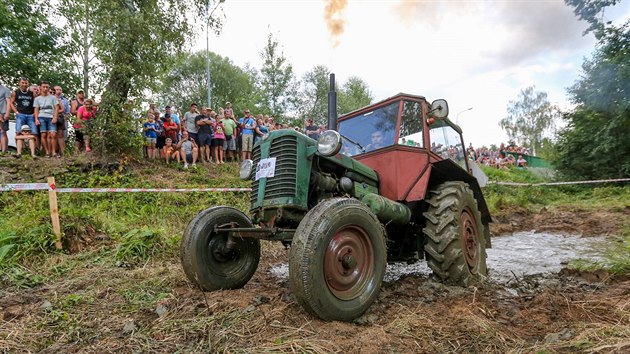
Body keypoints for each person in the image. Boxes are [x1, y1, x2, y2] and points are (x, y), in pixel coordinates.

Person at [10, 77, 38, 151]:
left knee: (34, 132)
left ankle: (33, 151)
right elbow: (11, 103)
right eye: (23, 83)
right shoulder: (15, 92)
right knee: (18, 132)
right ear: (19, 83)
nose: (24, 84)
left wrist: (34, 114)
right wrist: (16, 111)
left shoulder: (32, 93)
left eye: (26, 83)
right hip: (20, 115)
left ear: (28, 84)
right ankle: (20, 151)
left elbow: (36, 105)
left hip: (30, 115)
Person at [33, 81, 59, 157]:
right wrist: (36, 119)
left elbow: (56, 108)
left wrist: (55, 117)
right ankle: (47, 152)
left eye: (47, 87)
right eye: (43, 87)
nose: (45, 88)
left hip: (51, 117)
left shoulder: (53, 97)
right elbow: (36, 109)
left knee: (53, 134)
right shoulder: (37, 99)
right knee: (43, 134)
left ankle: (54, 152)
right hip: (41, 117)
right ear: (40, 87)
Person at [54, 86, 70, 156]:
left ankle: (62, 152)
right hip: (52, 118)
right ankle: (55, 152)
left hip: (62, 119)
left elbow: (67, 112)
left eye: (60, 90)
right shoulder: (50, 98)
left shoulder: (65, 100)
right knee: (53, 135)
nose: (59, 91)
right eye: (57, 89)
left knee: (62, 136)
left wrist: (65, 120)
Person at [0, 83, 11, 153]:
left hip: (3, 113)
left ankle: (4, 151)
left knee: (3, 132)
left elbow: (8, 102)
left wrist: (7, 113)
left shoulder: (5, 89)